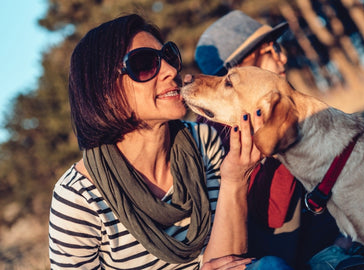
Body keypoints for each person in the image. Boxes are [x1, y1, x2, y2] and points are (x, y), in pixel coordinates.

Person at [48, 14, 287, 270]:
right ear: (104, 90)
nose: (171, 71)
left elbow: (227, 263)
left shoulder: (202, 142)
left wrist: (235, 179)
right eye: (144, 64)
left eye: (169, 57)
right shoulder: (78, 199)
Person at [195, 10, 363, 270]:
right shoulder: (222, 131)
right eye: (271, 50)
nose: (282, 58)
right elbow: (273, 214)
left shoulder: (274, 109)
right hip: (278, 252)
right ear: (240, 68)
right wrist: (279, 141)